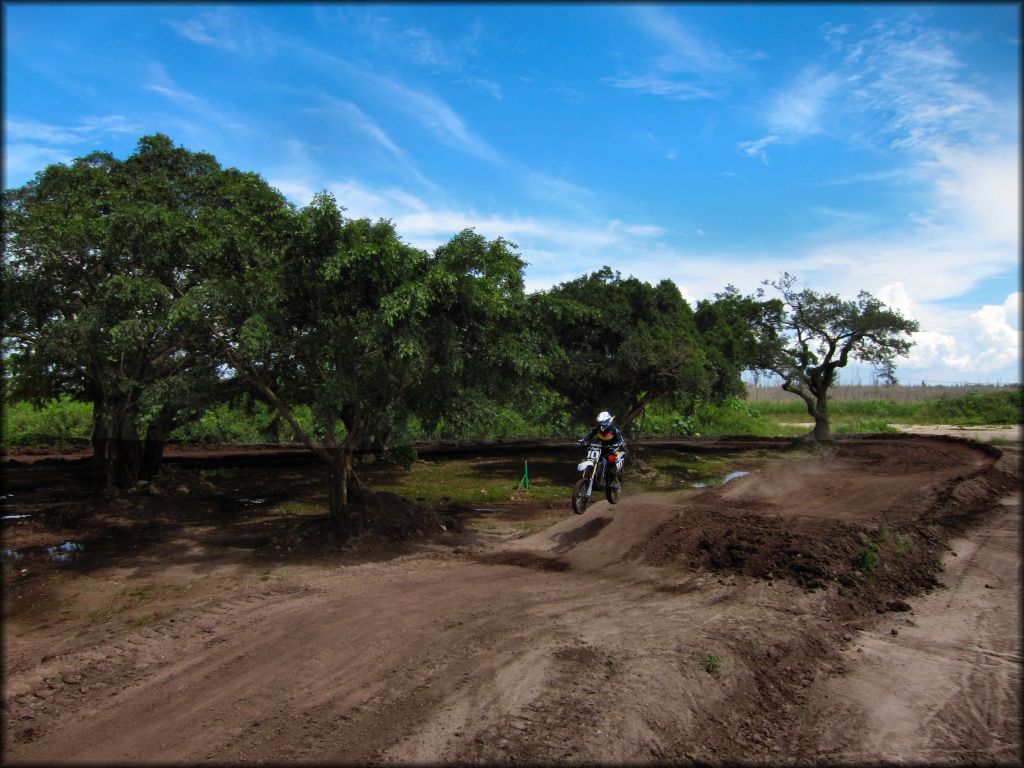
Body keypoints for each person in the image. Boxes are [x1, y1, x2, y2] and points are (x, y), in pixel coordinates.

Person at [578, 411, 626, 484]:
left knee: (611, 464)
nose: (601, 424)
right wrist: (583, 440)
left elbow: (620, 440)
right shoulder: (598, 428)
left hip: (614, 449)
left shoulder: (613, 429)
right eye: (600, 422)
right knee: (598, 459)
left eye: (603, 422)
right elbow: (590, 435)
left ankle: (612, 480)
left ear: (608, 421)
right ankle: (598, 476)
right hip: (603, 448)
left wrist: (617, 444)